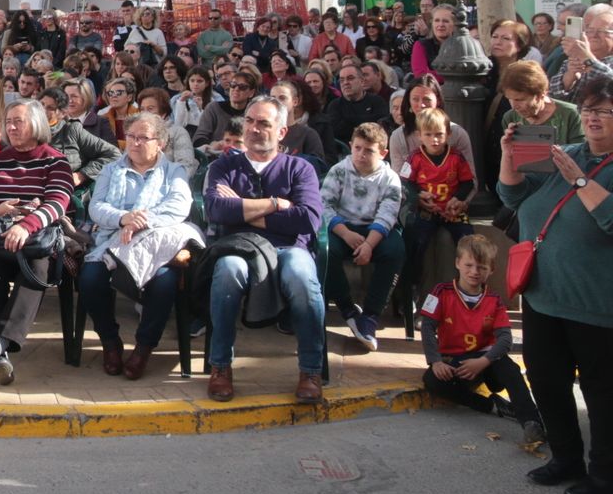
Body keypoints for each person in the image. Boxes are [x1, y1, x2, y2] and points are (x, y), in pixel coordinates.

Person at [497, 74, 613, 494]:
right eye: (587, 109)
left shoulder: (583, 166)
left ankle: (604, 475)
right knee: (546, 380)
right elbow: (513, 197)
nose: (592, 117)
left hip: (596, 304)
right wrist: (510, 156)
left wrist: (581, 180)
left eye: (602, 110)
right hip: (544, 296)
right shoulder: (570, 153)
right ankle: (565, 458)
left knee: (602, 394)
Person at [200, 94, 326, 404]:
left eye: (264, 123)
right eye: (250, 121)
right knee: (228, 272)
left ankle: (310, 370)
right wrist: (272, 204)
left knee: (301, 277)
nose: (254, 128)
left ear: (281, 131)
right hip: (240, 248)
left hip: (289, 248)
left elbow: (307, 219)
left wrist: (244, 210)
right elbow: (216, 210)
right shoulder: (224, 165)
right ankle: (220, 367)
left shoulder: (300, 169)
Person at [78, 112, 196, 381]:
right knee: (89, 279)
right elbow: (97, 207)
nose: (135, 143)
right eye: (131, 136)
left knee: (165, 281)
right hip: (112, 240)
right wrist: (123, 218)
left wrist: (140, 222)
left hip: (153, 244)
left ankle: (143, 348)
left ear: (160, 143)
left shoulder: (173, 171)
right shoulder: (112, 169)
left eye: (143, 138)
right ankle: (110, 342)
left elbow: (178, 206)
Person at [0, 99, 72, 386]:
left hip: (37, 239)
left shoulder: (55, 160)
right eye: (8, 122)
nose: (11, 127)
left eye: (18, 121)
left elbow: (58, 202)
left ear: (36, 124)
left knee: (37, 268)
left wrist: (26, 225)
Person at [419, 234, 545, 444]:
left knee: (510, 370)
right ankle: (493, 407)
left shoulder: (495, 301)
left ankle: (532, 422)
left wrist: (483, 361)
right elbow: (427, 327)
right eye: (469, 265)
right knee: (431, 381)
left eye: (481, 267)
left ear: (491, 270)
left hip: (485, 362)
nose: (474, 272)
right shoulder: (441, 292)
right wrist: (436, 361)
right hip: (455, 363)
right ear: (457, 263)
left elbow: (505, 339)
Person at [319, 123, 405, 351]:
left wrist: (368, 244)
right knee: (326, 251)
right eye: (357, 148)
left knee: (395, 250)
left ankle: (370, 315)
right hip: (342, 227)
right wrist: (344, 232)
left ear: (383, 153)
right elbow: (324, 205)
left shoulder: (390, 178)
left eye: (368, 150)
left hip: (376, 230)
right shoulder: (339, 170)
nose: (361, 155)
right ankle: (347, 307)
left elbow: (388, 214)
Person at [400, 108, 475, 298]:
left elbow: (468, 182)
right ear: (419, 136)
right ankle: (412, 288)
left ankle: (471, 285)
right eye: (429, 135)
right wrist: (418, 195)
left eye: (439, 134)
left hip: (452, 209)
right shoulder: (415, 158)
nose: (434, 140)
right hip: (427, 210)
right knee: (415, 240)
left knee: (469, 242)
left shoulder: (456, 157)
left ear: (448, 134)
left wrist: (458, 199)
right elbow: (405, 182)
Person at [389, 74, 476, 172]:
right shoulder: (398, 137)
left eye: (427, 99)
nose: (421, 105)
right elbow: (398, 181)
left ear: (438, 100)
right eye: (415, 99)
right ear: (409, 101)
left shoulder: (457, 134)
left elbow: (470, 179)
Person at [192, 67, 259, 151]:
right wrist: (214, 144)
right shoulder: (213, 108)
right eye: (233, 85)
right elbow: (198, 139)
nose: (236, 89)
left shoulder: (254, 113)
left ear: (251, 93)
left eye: (242, 87)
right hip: (215, 156)